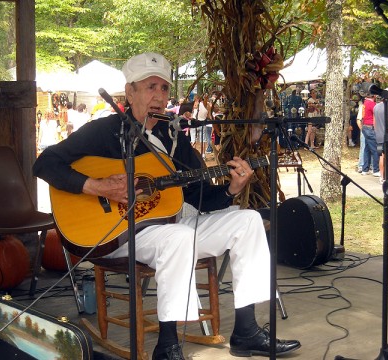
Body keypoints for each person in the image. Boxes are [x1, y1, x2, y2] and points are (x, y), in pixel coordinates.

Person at [33, 52, 301, 359]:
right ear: (130, 92)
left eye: (164, 88)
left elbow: (199, 196)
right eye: (150, 87)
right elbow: (45, 164)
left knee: (248, 220)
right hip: (118, 234)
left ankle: (246, 331)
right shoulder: (103, 131)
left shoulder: (173, 137)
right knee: (179, 237)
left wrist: (231, 188)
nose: (159, 96)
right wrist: (96, 185)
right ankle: (168, 345)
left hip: (167, 230)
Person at [373, 96, 388, 184]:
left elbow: (374, 122)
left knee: (382, 156)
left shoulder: (375, 107)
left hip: (379, 135)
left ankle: (382, 177)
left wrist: (377, 132)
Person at [361, 93, 380, 177]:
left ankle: (365, 168)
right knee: (375, 149)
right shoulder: (372, 104)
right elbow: (377, 113)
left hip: (365, 126)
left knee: (367, 148)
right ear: (374, 96)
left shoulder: (365, 103)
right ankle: (376, 169)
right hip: (370, 127)